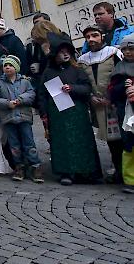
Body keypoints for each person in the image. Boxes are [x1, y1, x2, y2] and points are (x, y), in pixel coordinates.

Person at [39, 33, 102, 185]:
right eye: (62, 52)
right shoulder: (48, 72)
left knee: (83, 141)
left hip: (77, 112)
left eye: (67, 51)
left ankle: (86, 172)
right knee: (62, 143)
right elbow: (42, 94)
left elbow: (87, 88)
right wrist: (44, 113)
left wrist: (72, 88)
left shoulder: (77, 69)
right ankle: (66, 172)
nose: (65, 54)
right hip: (58, 114)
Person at [77, 24, 124, 183]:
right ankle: (119, 171)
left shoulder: (114, 53)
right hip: (98, 105)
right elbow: (83, 82)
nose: (91, 39)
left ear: (102, 36)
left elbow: (122, 76)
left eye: (95, 35)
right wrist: (90, 96)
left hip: (117, 103)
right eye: (88, 37)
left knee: (125, 137)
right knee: (112, 140)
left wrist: (112, 96)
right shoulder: (83, 60)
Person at [0, 56, 42, 182]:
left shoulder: (25, 82)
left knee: (29, 143)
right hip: (9, 119)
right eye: (5, 65)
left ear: (16, 68)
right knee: (14, 145)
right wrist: (7, 103)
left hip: (24, 117)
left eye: (10, 65)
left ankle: (35, 166)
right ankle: (19, 166)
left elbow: (31, 94)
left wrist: (20, 100)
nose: (7, 67)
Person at [108, 33, 134, 193]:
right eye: (125, 50)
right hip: (125, 111)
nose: (128, 52)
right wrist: (123, 87)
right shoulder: (119, 68)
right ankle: (130, 178)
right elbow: (112, 90)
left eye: (131, 49)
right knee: (129, 145)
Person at [25, 13, 51, 91]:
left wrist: (41, 66)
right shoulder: (31, 43)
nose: (37, 26)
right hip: (39, 82)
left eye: (39, 22)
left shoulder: (58, 38)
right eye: (35, 23)